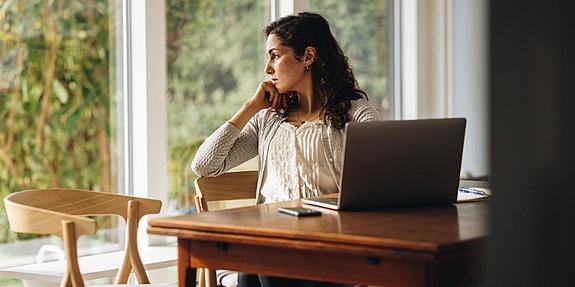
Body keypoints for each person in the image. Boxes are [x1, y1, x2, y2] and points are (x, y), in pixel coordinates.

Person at [191, 12, 381, 287]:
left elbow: (378, 187)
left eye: (275, 56)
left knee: (260, 263)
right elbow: (204, 165)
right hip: (271, 240)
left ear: (308, 57)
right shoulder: (268, 119)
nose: (267, 68)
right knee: (258, 259)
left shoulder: (357, 115)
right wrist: (250, 107)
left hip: (331, 245)